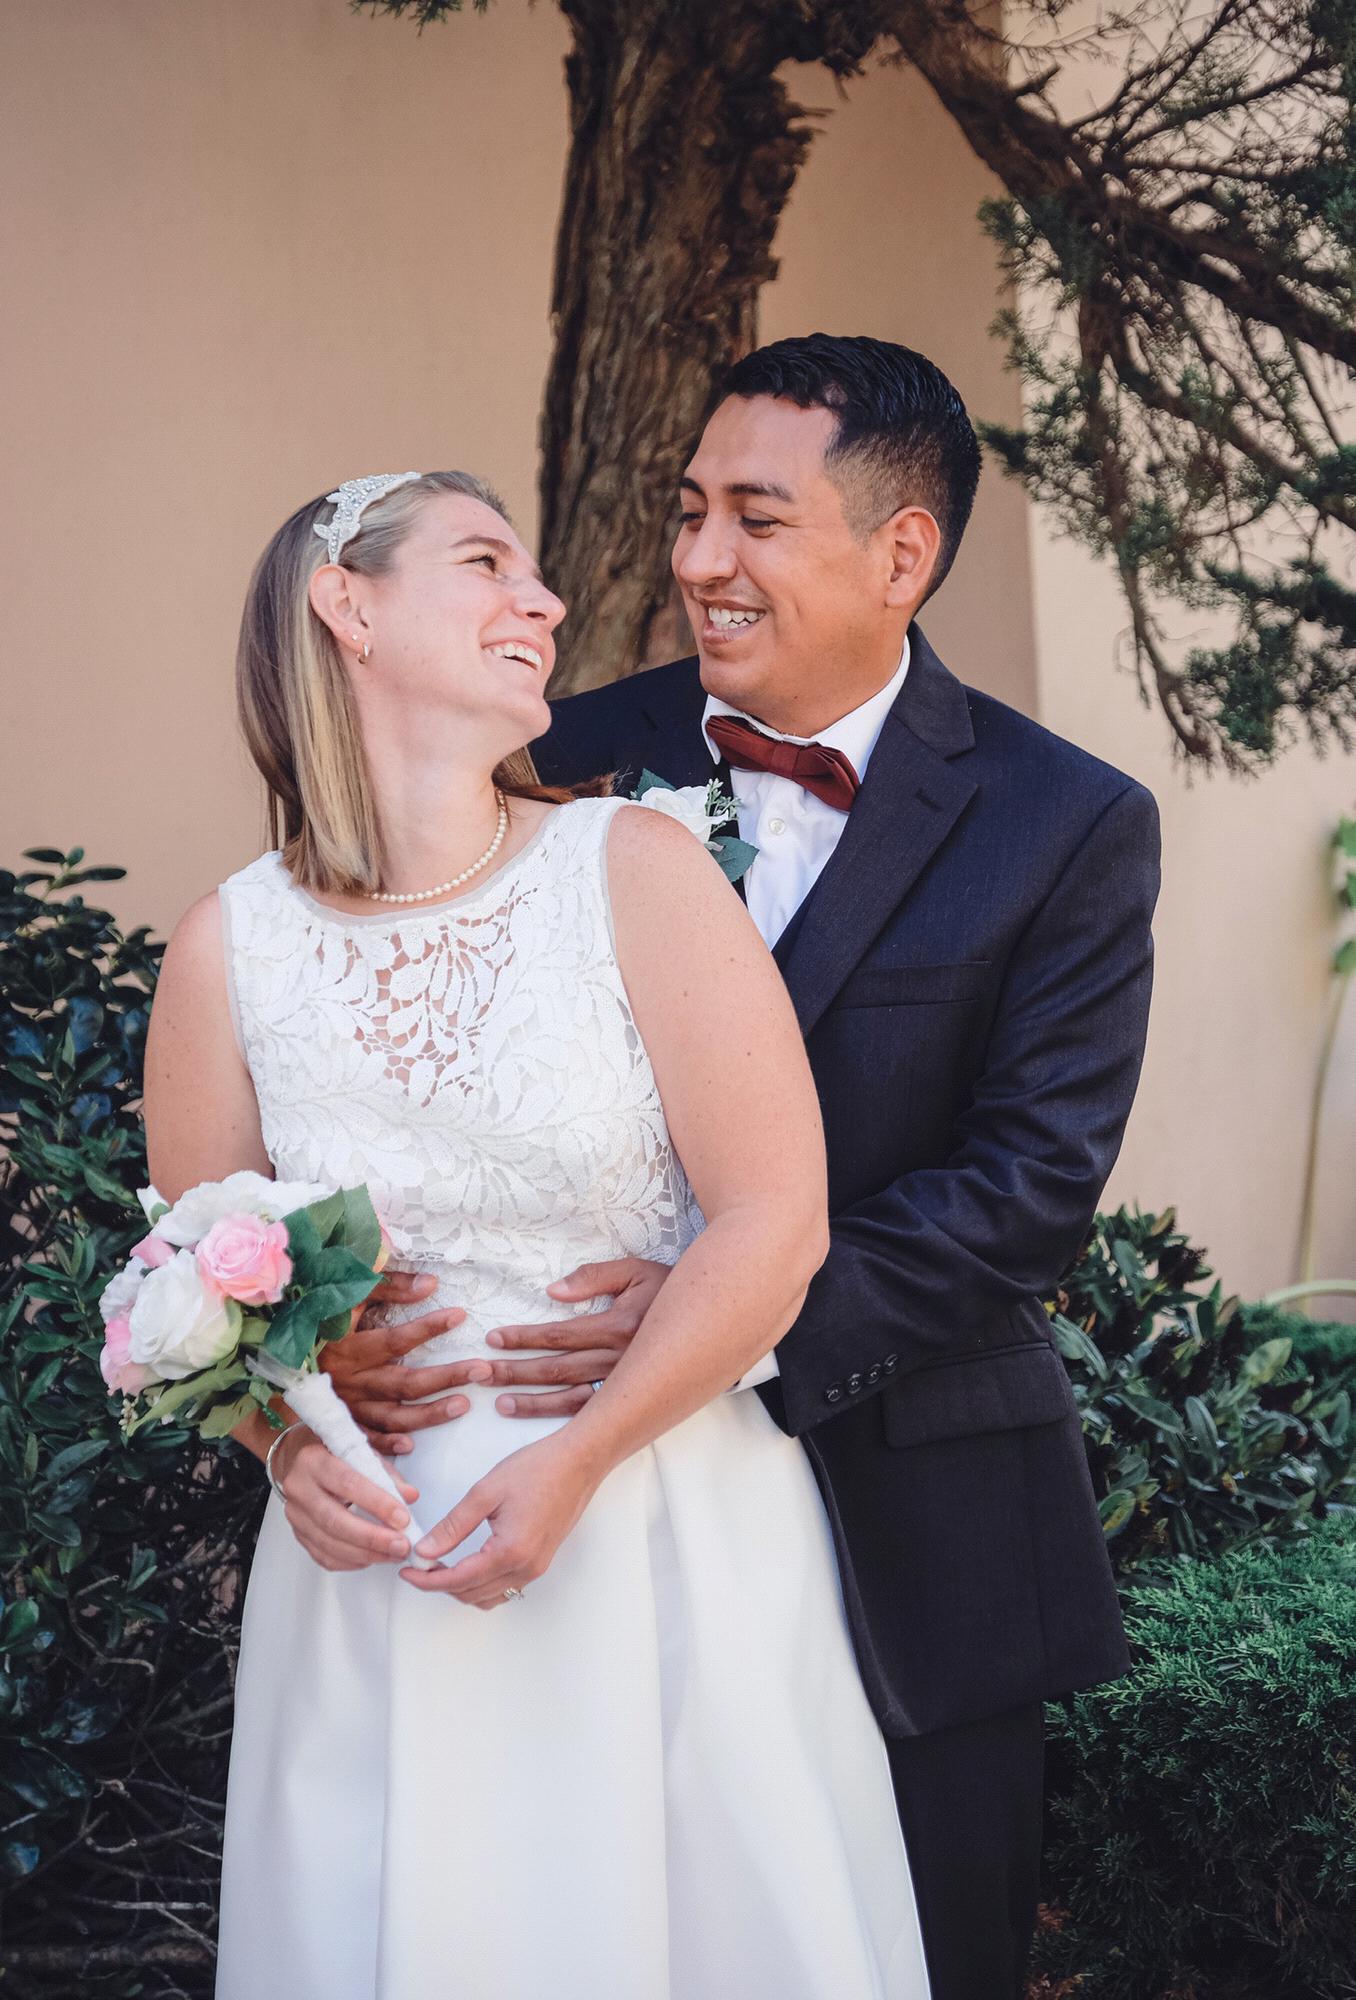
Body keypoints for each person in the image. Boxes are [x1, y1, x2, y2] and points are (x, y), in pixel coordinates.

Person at [332, 337, 1162, 2000]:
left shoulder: (1067, 820)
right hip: (578, 1519)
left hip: (919, 1517)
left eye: (757, 520)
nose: (699, 559)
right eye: (689, 509)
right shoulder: (549, 758)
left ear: (902, 554)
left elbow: (1026, 1190)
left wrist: (716, 1314)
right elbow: (394, 1062)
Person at [143, 467, 932, 1998]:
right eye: (486, 562)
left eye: (536, 572)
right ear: (348, 605)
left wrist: (579, 1459)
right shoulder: (229, 947)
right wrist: (287, 1456)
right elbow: (200, 1289)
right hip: (377, 1589)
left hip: (656, 1528)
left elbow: (776, 1220)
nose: (546, 602)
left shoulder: (633, 869)